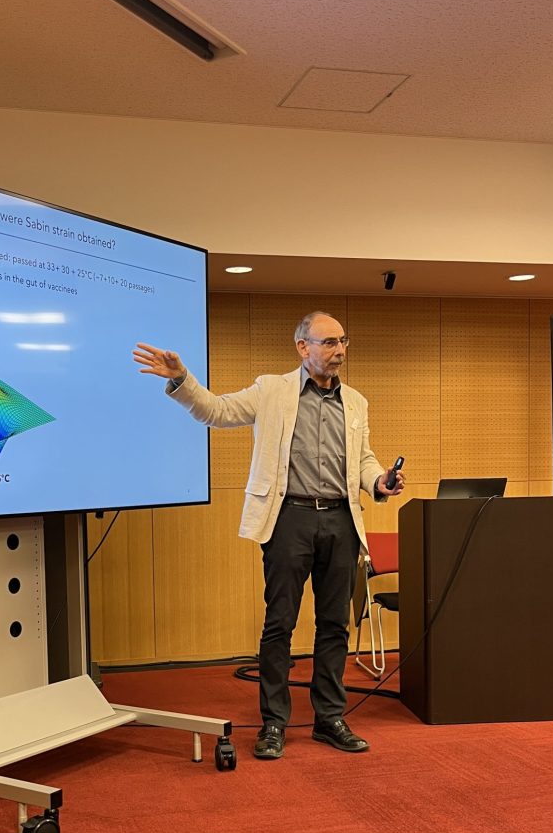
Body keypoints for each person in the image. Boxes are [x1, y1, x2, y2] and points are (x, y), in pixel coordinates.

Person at [134, 311, 405, 761]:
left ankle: (329, 718)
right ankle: (274, 722)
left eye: (343, 342)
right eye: (329, 342)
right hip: (288, 519)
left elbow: (363, 458)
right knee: (280, 623)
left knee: (334, 624)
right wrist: (181, 379)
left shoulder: (356, 401)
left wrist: (378, 480)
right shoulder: (271, 390)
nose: (339, 351)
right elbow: (216, 411)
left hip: (341, 520)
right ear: (303, 347)